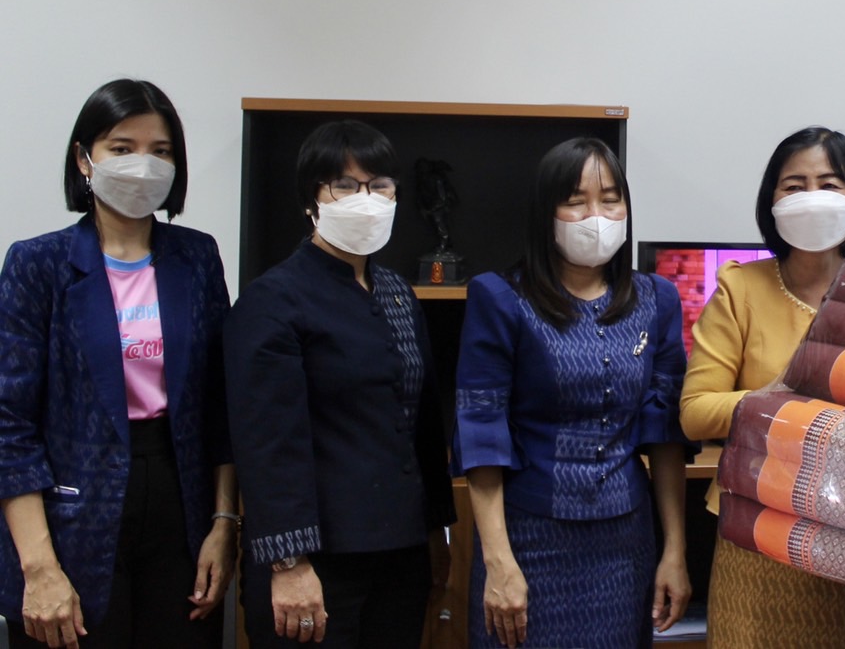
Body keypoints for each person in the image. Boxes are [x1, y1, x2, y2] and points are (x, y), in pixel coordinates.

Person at [0, 79, 235, 649]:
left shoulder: (197, 256)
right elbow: (9, 425)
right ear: (85, 159)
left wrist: (224, 523)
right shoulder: (37, 264)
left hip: (181, 504)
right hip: (70, 512)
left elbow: (222, 403)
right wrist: (39, 567)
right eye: (122, 148)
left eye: (161, 151)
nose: (143, 165)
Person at [455, 137, 692, 649]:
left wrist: (675, 550)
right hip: (526, 539)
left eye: (610, 199)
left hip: (625, 543)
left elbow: (665, 435)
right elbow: (481, 433)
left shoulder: (657, 299)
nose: (596, 216)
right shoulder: (500, 297)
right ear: (546, 212)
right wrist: (498, 562)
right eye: (575, 201)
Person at [225, 120, 454, 647]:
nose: (365, 199)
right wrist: (290, 563)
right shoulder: (272, 301)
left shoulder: (396, 292)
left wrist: (436, 530)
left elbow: (421, 424)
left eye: (379, 185)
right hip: (313, 563)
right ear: (312, 198)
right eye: (345, 186)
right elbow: (267, 444)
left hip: (399, 554)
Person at [679, 126, 845, 649]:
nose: (812, 198)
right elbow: (696, 412)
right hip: (757, 528)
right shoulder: (740, 288)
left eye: (829, 184)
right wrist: (786, 397)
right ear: (772, 201)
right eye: (794, 186)